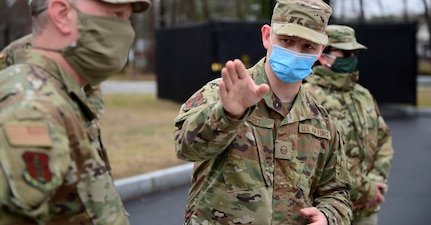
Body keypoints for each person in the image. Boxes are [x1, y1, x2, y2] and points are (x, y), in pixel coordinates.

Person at [174, 0, 353, 224]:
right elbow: (185, 148)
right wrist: (228, 115)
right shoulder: (224, 92)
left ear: (320, 52)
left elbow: (337, 192)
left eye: (308, 47)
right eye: (287, 41)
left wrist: (328, 216)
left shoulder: (322, 121)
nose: (296, 53)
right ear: (267, 36)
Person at [0, 0, 151, 224]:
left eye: (127, 18)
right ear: (61, 14)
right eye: (116, 15)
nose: (126, 32)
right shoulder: (31, 109)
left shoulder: (60, 95)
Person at [303, 25, 394, 225]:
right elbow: (312, 157)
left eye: (354, 53)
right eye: (344, 53)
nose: (351, 58)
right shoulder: (307, 98)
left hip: (366, 211)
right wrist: (364, 189)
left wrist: (377, 183)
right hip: (327, 212)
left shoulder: (363, 95)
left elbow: (383, 138)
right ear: (322, 56)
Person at [0, 34, 105, 119]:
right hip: (22, 118)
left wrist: (84, 119)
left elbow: (94, 92)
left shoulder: (78, 48)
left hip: (66, 120)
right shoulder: (17, 49)